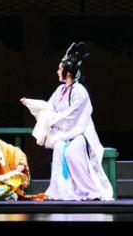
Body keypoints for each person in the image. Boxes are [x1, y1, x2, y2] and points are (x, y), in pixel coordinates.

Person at [21, 42, 113, 201]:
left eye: (60, 69)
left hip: (81, 132)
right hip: (66, 133)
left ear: (68, 72)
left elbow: (74, 116)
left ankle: (88, 190)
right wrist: (31, 103)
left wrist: (53, 119)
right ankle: (64, 192)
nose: (57, 71)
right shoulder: (61, 90)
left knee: (71, 152)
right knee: (59, 148)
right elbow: (50, 107)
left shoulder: (80, 91)